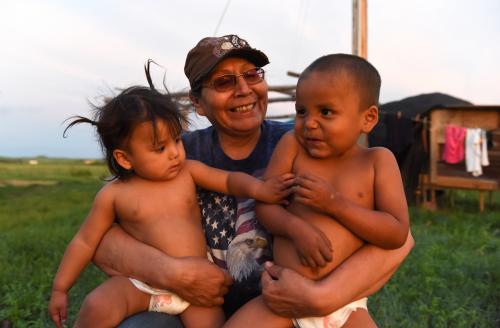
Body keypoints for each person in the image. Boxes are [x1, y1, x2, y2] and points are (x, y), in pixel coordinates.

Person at [91, 35, 414, 327]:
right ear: (198, 103)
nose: (244, 89)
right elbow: (102, 241)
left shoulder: (309, 144)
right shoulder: (174, 156)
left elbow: (400, 239)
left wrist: (321, 297)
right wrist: (173, 273)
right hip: (199, 308)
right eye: (224, 81)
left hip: (287, 300)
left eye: (252, 74)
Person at [47, 86, 295, 328]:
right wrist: (61, 288)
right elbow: (85, 242)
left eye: (177, 140)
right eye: (160, 148)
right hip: (141, 283)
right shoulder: (113, 195)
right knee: (97, 305)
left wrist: (259, 189)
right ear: (124, 158)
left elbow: (229, 180)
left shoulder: (188, 172)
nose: (175, 153)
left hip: (197, 289)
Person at [224, 53, 410, 328]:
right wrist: (295, 228)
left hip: (345, 306)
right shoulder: (293, 146)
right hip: (280, 298)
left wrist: (335, 204)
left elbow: (396, 233)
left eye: (325, 112)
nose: (309, 122)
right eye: (302, 111)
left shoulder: (377, 161)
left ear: (368, 118)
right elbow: (266, 204)